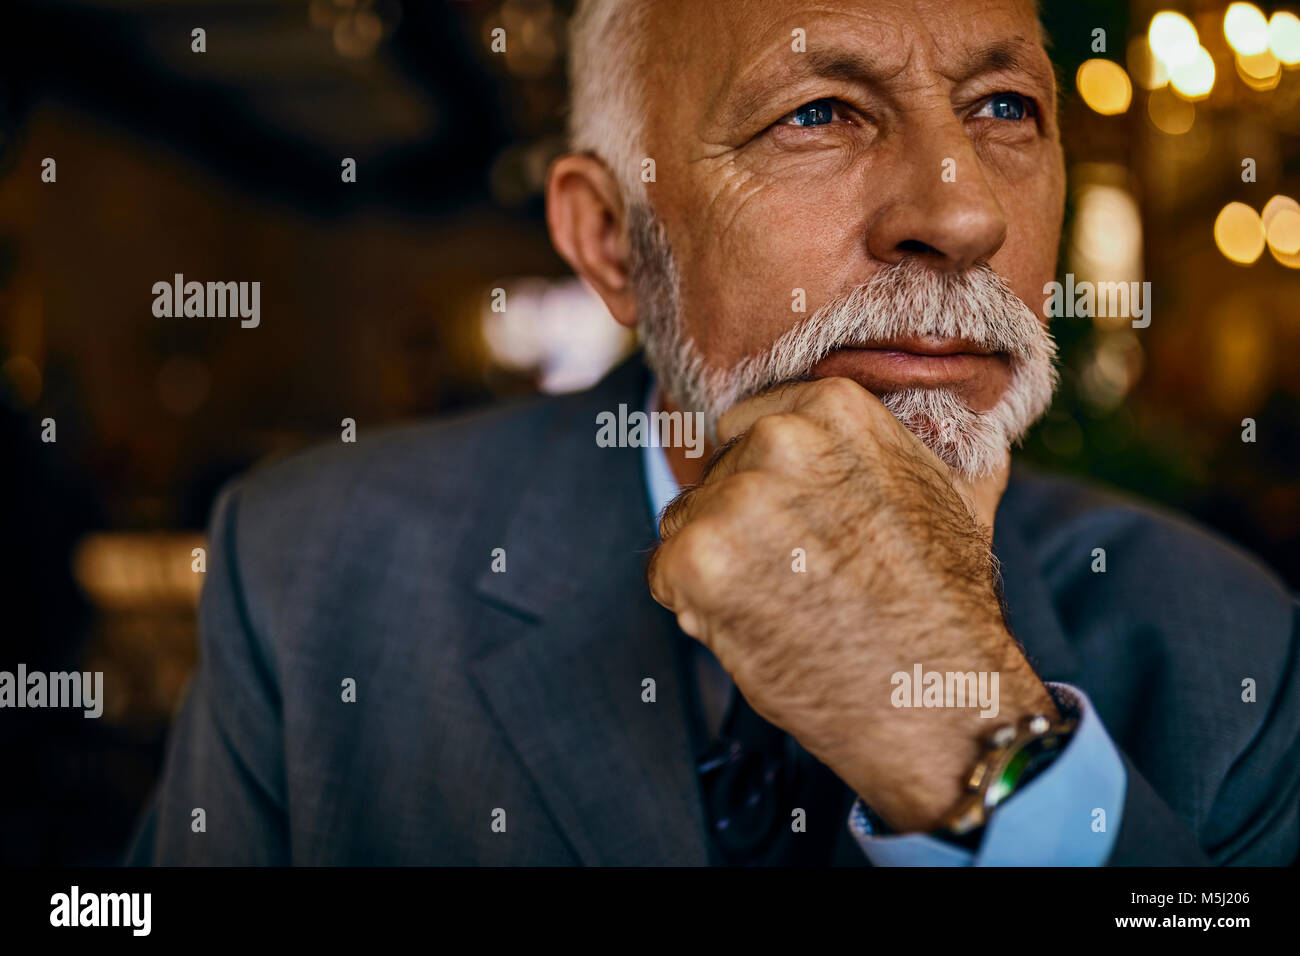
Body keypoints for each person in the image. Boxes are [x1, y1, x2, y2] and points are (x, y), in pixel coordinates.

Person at [127, 0, 1299, 866]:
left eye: (1005, 108)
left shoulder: (1230, 652)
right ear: (609, 241)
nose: (960, 212)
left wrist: (970, 737)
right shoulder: (312, 572)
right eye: (819, 112)